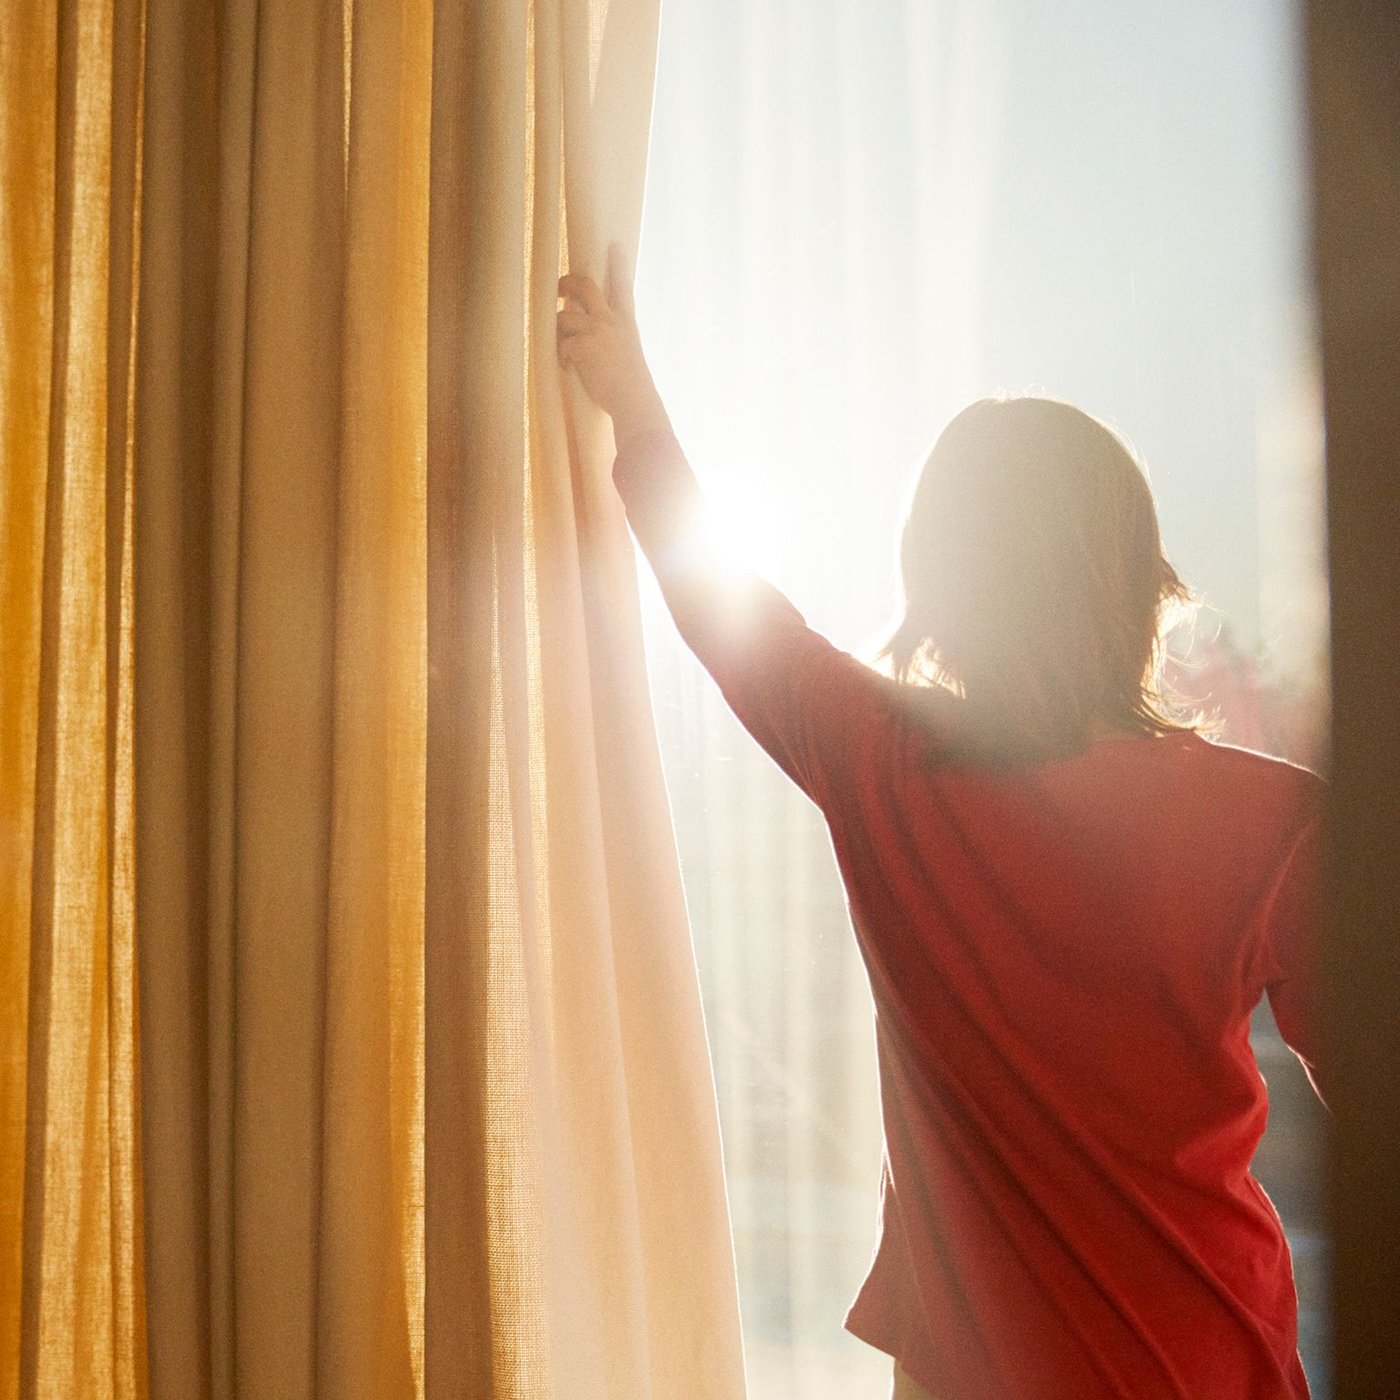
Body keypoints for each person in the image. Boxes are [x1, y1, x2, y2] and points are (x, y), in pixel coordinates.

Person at [558, 247, 1325, 1400]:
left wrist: (631, 397)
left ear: (937, 585)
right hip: (1205, 1356)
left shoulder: (883, 762)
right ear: (1137, 579)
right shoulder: (1271, 819)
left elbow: (722, 604)